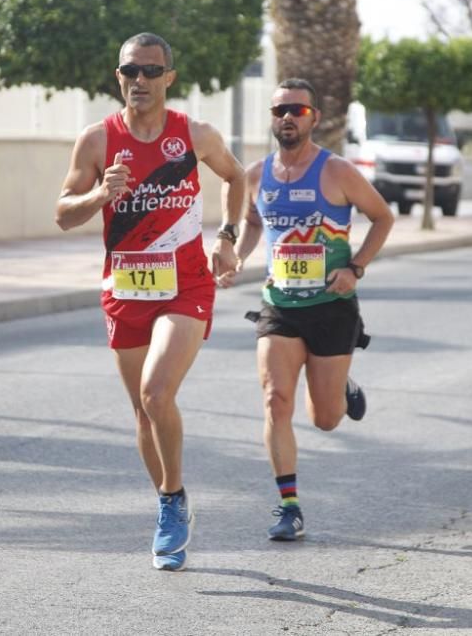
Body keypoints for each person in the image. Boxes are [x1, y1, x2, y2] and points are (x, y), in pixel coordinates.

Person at [55, 32, 245, 571]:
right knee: (142, 413)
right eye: (130, 71)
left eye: (150, 71)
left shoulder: (194, 135)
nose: (139, 80)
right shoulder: (96, 141)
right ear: (118, 77)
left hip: (185, 285)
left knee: (157, 392)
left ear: (169, 78)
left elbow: (234, 178)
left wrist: (227, 239)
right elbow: (63, 213)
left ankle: (172, 502)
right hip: (125, 288)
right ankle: (171, 500)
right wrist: (99, 195)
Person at [223, 78, 394, 541]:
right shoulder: (258, 174)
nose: (287, 118)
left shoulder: (337, 172)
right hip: (279, 306)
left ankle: (341, 388)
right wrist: (238, 254)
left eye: (297, 110)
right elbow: (254, 221)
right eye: (280, 110)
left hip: (332, 307)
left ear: (313, 117)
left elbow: (383, 216)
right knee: (275, 400)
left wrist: (355, 267)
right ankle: (288, 506)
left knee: (325, 418)